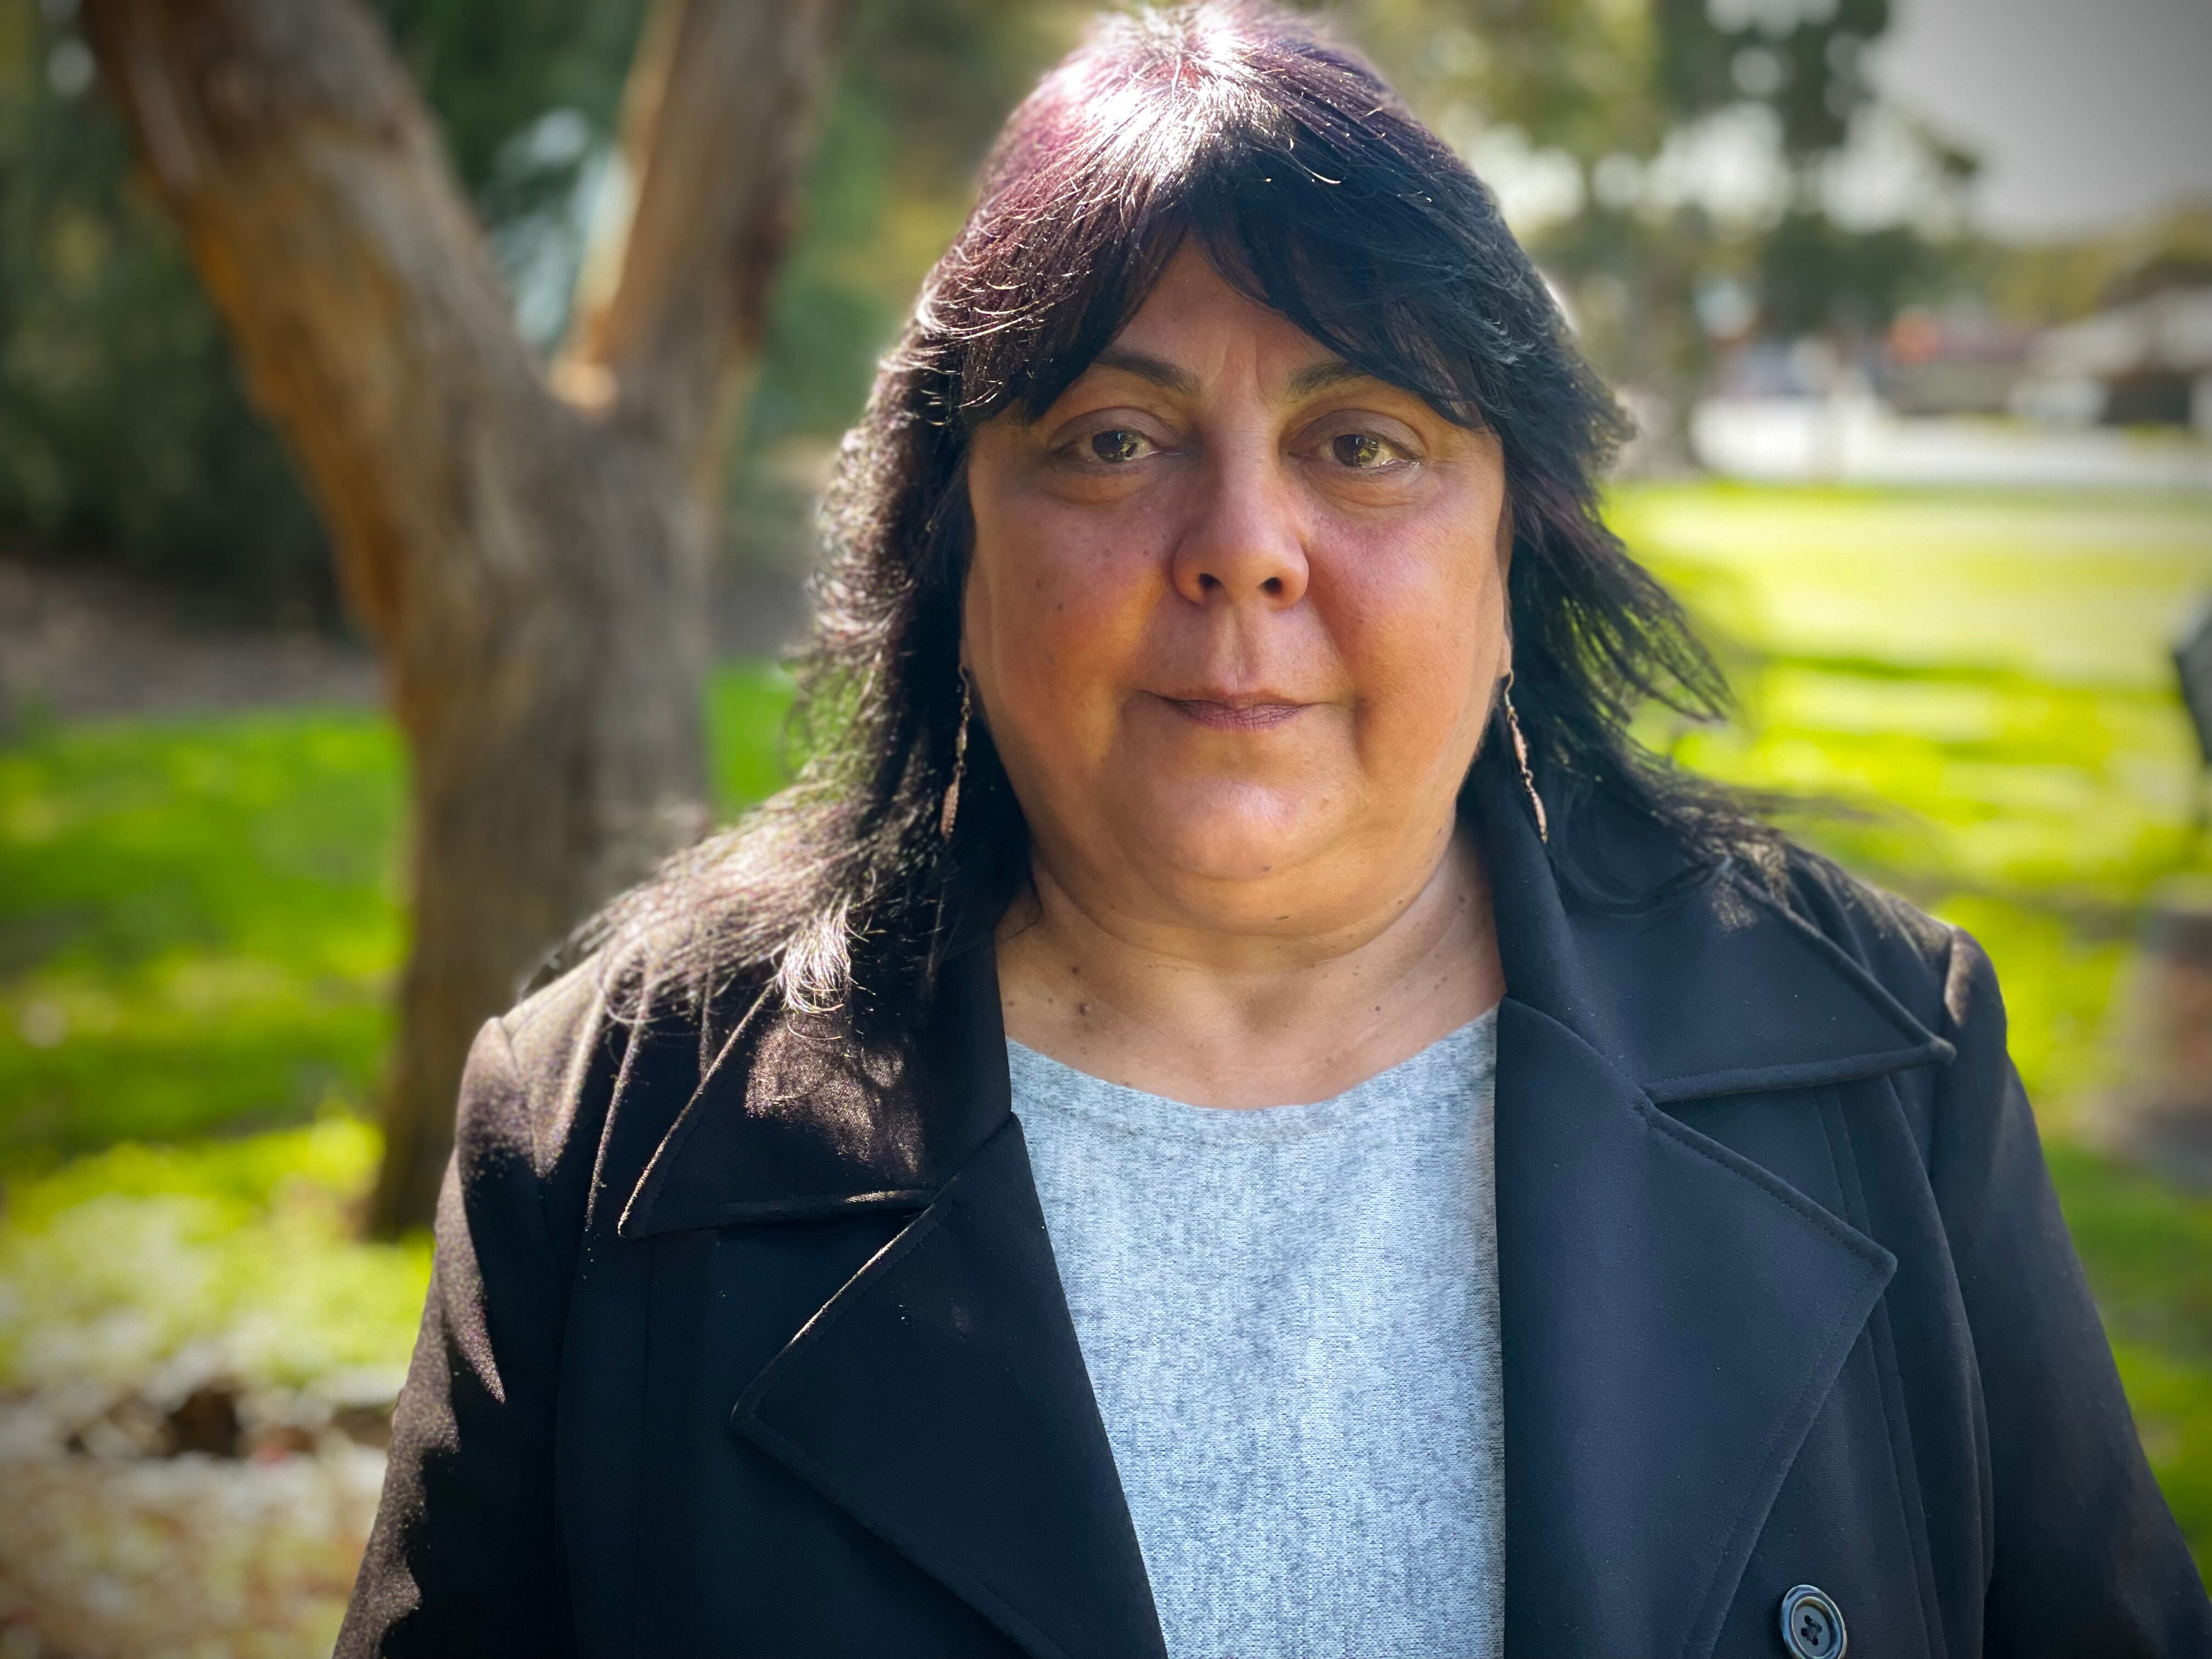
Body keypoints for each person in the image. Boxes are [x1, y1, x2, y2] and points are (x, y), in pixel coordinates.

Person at [337, 5, 2211, 1656]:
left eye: (1366, 438)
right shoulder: (604, 1135)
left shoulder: (1890, 1060)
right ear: (951, 546)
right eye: (1111, 439)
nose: (1245, 539)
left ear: (1514, 555)